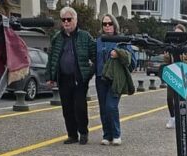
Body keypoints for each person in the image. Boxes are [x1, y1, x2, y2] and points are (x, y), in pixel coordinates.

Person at [46, 6, 96, 145]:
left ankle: (83, 133)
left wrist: (88, 74)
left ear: (75, 20)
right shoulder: (57, 37)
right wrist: (50, 77)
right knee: (67, 108)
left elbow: (95, 57)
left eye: (69, 19)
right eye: (64, 20)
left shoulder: (85, 36)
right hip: (63, 78)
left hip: (79, 79)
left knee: (79, 107)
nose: (66, 22)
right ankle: (72, 135)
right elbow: (52, 58)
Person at [95, 14, 136, 146]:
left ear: (114, 25)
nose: (107, 26)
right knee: (103, 108)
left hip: (116, 79)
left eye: (109, 23)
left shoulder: (121, 40)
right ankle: (107, 135)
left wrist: (118, 53)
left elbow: (131, 60)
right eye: (104, 24)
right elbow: (94, 59)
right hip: (101, 78)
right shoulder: (99, 40)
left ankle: (116, 134)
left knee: (111, 106)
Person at [163, 24, 187, 129]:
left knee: (182, 99)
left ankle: (183, 118)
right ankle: (172, 117)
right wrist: (166, 55)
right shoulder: (170, 46)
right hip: (173, 73)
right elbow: (166, 61)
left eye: (180, 34)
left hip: (184, 74)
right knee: (170, 97)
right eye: (175, 33)